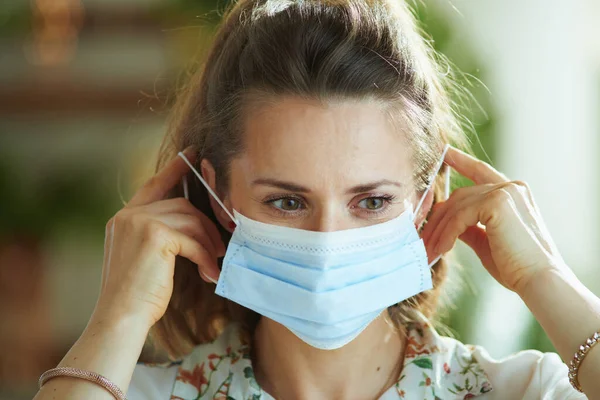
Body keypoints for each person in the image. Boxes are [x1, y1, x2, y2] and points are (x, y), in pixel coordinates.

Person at [34, 0, 600, 399]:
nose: (329, 241)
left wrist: (544, 278)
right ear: (219, 197)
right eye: (286, 202)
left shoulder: (524, 394)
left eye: (372, 201)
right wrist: (117, 318)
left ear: (430, 199)